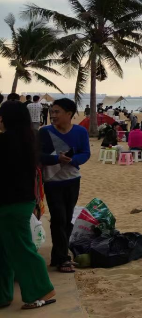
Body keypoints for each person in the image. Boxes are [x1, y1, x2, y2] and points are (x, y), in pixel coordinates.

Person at [0, 100, 58, 310]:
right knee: (6, 249)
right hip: (22, 201)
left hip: (10, 204)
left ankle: (41, 290)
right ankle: (3, 294)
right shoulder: (28, 139)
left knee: (20, 249)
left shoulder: (6, 141)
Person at [39, 98, 90, 273]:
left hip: (73, 180)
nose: (53, 115)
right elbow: (38, 155)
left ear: (69, 114)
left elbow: (85, 153)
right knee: (58, 218)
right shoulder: (44, 132)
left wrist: (72, 160)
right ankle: (63, 259)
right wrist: (56, 158)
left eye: (57, 112)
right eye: (52, 112)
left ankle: (58, 256)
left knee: (67, 220)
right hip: (52, 182)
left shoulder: (80, 131)